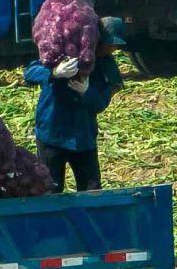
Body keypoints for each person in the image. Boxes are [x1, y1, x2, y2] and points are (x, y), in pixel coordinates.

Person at [23, 17, 127, 192]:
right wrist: (54, 72)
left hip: (82, 136)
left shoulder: (107, 66)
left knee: (91, 189)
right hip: (52, 131)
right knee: (50, 189)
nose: (112, 49)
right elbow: (30, 73)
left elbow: (101, 103)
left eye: (115, 46)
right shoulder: (64, 53)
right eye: (109, 44)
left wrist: (86, 92)